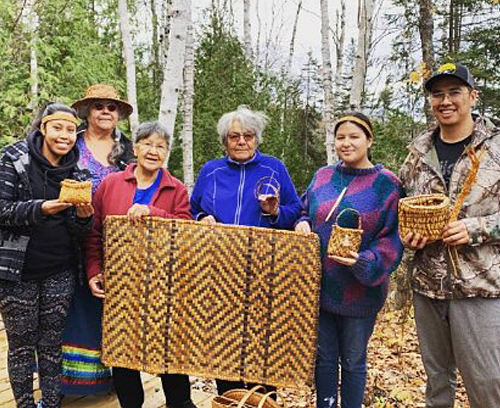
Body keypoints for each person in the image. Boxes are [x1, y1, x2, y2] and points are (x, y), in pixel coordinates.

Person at [399, 63, 500, 408]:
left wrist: (475, 229)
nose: (445, 101)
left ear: (472, 96)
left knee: (486, 382)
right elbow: (404, 206)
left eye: (454, 92)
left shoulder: (496, 149)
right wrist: (408, 236)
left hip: (480, 286)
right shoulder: (417, 153)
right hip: (429, 284)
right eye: (437, 94)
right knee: (437, 381)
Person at [190, 105, 301, 395]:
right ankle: (228, 398)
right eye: (234, 136)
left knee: (262, 344)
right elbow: (191, 209)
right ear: (224, 141)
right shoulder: (211, 170)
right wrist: (203, 218)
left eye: (248, 136)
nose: (241, 141)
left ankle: (264, 400)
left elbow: (297, 211)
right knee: (224, 343)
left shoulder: (273, 167)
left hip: (263, 270)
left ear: (257, 139)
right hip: (218, 270)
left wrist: (276, 212)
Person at [295, 112, 404, 408]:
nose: (346, 143)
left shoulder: (387, 184)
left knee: (354, 361)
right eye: (340, 137)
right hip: (319, 288)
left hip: (360, 292)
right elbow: (306, 210)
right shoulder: (323, 176)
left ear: (369, 140)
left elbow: (393, 239)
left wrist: (363, 261)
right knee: (325, 359)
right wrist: (301, 223)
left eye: (354, 136)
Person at [86, 121, 196, 408]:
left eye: (160, 146)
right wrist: (95, 270)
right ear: (135, 148)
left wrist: (153, 212)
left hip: (165, 285)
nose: (153, 150)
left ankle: (180, 403)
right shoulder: (111, 184)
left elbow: (186, 230)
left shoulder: (176, 189)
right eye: (147, 144)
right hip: (121, 285)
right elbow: (95, 232)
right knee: (124, 354)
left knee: (169, 352)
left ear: (167, 153)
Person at [0, 103, 94, 408]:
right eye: (57, 128)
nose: (64, 136)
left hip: (61, 270)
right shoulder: (13, 159)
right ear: (43, 128)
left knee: (52, 346)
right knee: (22, 347)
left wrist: (83, 217)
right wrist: (41, 208)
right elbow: (2, 211)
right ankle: (26, 404)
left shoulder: (78, 172)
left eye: (70, 130)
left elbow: (80, 232)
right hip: (18, 272)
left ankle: (51, 404)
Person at [60, 84, 135, 395]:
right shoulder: (71, 144)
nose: (105, 111)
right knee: (72, 304)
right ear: (86, 111)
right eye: (98, 106)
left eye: (111, 107)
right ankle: (68, 382)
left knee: (110, 306)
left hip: (116, 240)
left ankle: (109, 380)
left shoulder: (128, 148)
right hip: (69, 235)